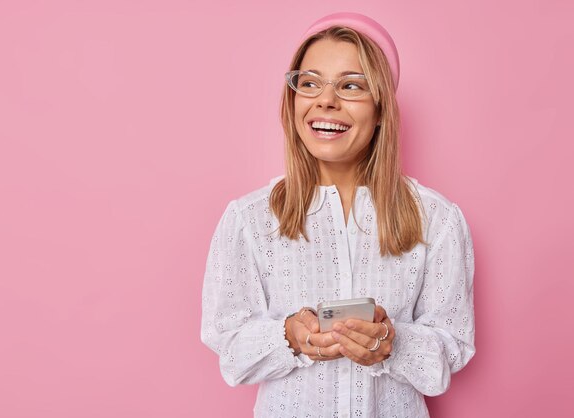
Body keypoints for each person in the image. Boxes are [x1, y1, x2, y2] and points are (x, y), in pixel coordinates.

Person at [200, 12, 475, 418]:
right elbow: (229, 349)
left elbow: (451, 349)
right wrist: (288, 337)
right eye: (309, 83)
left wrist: (391, 343)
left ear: (381, 109)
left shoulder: (438, 219)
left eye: (351, 86)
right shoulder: (249, 219)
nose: (325, 100)